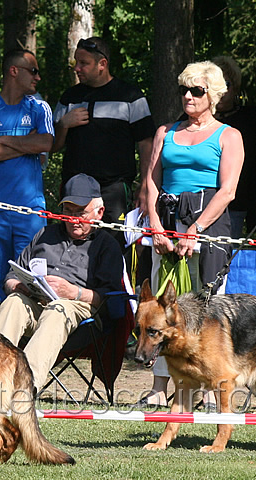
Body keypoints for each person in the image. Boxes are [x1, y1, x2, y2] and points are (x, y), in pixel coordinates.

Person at [139, 61, 244, 408]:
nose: (188, 96)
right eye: (184, 89)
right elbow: (151, 182)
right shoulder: (165, 132)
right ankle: (159, 386)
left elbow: (227, 191)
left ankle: (212, 388)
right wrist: (154, 223)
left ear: (212, 95)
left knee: (207, 307)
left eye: (196, 90)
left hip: (207, 225)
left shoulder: (229, 136)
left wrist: (196, 230)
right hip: (165, 225)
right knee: (160, 308)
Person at [0, 173, 123, 391]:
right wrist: (19, 285)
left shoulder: (107, 245)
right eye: (67, 212)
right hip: (35, 303)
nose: (72, 219)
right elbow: (10, 277)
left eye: (80, 213)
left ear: (99, 213)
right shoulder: (45, 234)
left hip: (80, 315)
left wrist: (74, 292)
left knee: (58, 308)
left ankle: (25, 386)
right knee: (14, 301)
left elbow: (110, 300)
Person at [0, 48, 54, 308]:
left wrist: (4, 140)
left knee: (30, 280)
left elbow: (46, 142)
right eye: (34, 71)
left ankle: (29, 341)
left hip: (30, 210)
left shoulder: (40, 107)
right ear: (14, 71)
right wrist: (26, 145)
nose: (38, 78)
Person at [52, 37, 155, 242]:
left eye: (83, 63)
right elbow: (53, 146)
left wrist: (144, 186)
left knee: (113, 246)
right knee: (72, 245)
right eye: (76, 62)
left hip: (113, 190)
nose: (77, 68)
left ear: (102, 64)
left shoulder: (130, 96)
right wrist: (64, 124)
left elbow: (146, 145)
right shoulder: (69, 97)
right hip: (74, 189)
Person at [212, 56, 256, 239]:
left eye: (226, 85)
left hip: (247, 199)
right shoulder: (192, 119)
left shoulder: (250, 118)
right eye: (215, 86)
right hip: (208, 202)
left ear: (235, 87)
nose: (221, 91)